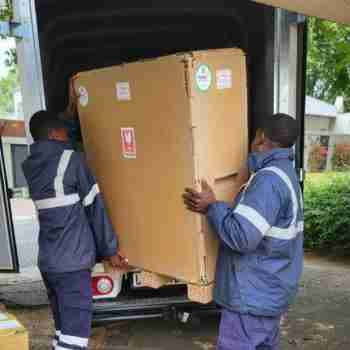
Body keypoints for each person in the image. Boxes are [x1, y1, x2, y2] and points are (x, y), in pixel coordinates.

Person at [183, 113, 303, 350]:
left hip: (253, 296)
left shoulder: (268, 182)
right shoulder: (285, 173)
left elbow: (242, 237)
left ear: (260, 139)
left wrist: (212, 207)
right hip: (269, 289)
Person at [22, 111, 126, 350]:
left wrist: (69, 109)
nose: (67, 135)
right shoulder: (72, 160)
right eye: (62, 131)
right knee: (75, 339)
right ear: (52, 134)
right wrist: (110, 249)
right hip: (72, 264)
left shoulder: (31, 165)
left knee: (62, 334)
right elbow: (95, 208)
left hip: (50, 263)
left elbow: (53, 142)